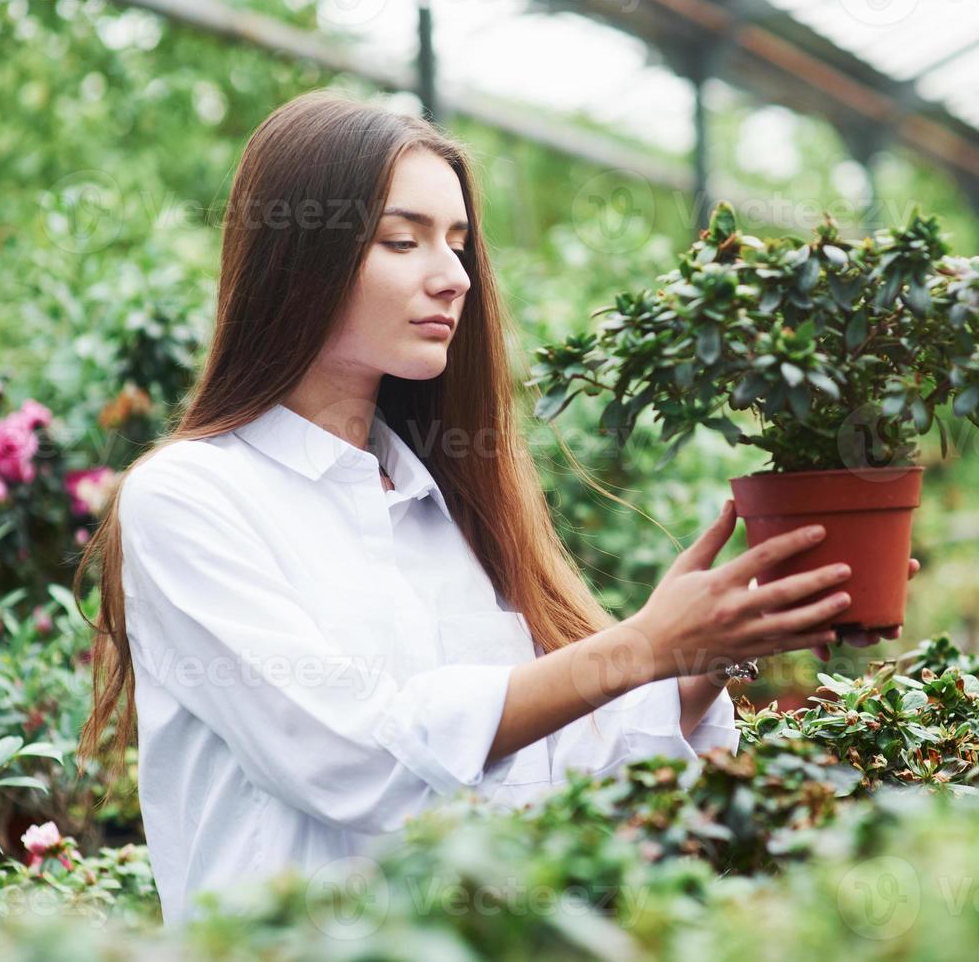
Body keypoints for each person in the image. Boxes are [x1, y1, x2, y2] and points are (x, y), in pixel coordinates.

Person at [73, 89, 905, 924]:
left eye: (461, 244)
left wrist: (699, 660)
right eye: (404, 240)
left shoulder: (447, 503)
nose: (455, 277)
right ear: (299, 256)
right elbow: (349, 761)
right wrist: (640, 644)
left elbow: (533, 785)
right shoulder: (193, 497)